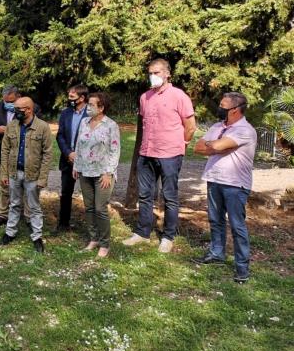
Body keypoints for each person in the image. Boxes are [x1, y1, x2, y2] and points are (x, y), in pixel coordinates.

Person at [123, 59, 196, 253]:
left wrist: (183, 145)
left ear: (167, 74)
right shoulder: (144, 97)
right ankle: (142, 233)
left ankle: (168, 236)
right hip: (146, 153)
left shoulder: (179, 96)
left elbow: (190, 126)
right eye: (150, 73)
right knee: (145, 194)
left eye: (156, 72)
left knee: (169, 196)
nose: (152, 76)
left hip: (170, 154)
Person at [193, 92, 257, 283]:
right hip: (214, 179)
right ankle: (216, 254)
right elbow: (198, 148)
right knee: (215, 220)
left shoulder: (245, 130)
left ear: (235, 110)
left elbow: (218, 146)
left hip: (235, 184)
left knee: (237, 225)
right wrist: (217, 146)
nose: (219, 108)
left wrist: (214, 146)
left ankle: (242, 268)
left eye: (223, 105)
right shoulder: (217, 126)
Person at [0, 97, 53, 253]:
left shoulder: (42, 127)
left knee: (34, 207)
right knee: (14, 203)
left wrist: (42, 178)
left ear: (29, 109)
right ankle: (10, 233)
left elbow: (48, 154)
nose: (15, 112)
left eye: (18, 109)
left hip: (33, 175)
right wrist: (4, 173)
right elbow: (5, 150)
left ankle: (37, 237)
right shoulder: (12, 126)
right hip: (14, 173)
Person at [0, 85, 42, 226]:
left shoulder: (34, 108)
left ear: (19, 97)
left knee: (29, 188)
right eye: (5, 101)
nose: (8, 105)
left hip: (26, 154)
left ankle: (28, 217)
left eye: (11, 102)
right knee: (5, 185)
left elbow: (37, 127)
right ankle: (3, 215)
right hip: (5, 153)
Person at [72, 92, 120, 258]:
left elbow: (115, 150)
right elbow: (79, 144)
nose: (88, 107)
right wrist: (76, 165)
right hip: (85, 171)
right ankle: (94, 238)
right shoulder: (84, 122)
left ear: (101, 108)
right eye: (88, 104)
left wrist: (108, 172)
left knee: (100, 208)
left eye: (92, 105)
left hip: (103, 174)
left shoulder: (111, 125)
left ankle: (105, 243)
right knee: (89, 207)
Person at [56, 84, 89, 233]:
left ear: (82, 98)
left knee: (89, 195)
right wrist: (68, 153)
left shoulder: (91, 113)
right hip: (68, 160)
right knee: (66, 193)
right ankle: (63, 224)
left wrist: (79, 155)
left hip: (86, 162)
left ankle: (92, 228)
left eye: (72, 97)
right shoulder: (65, 113)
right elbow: (60, 135)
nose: (70, 99)